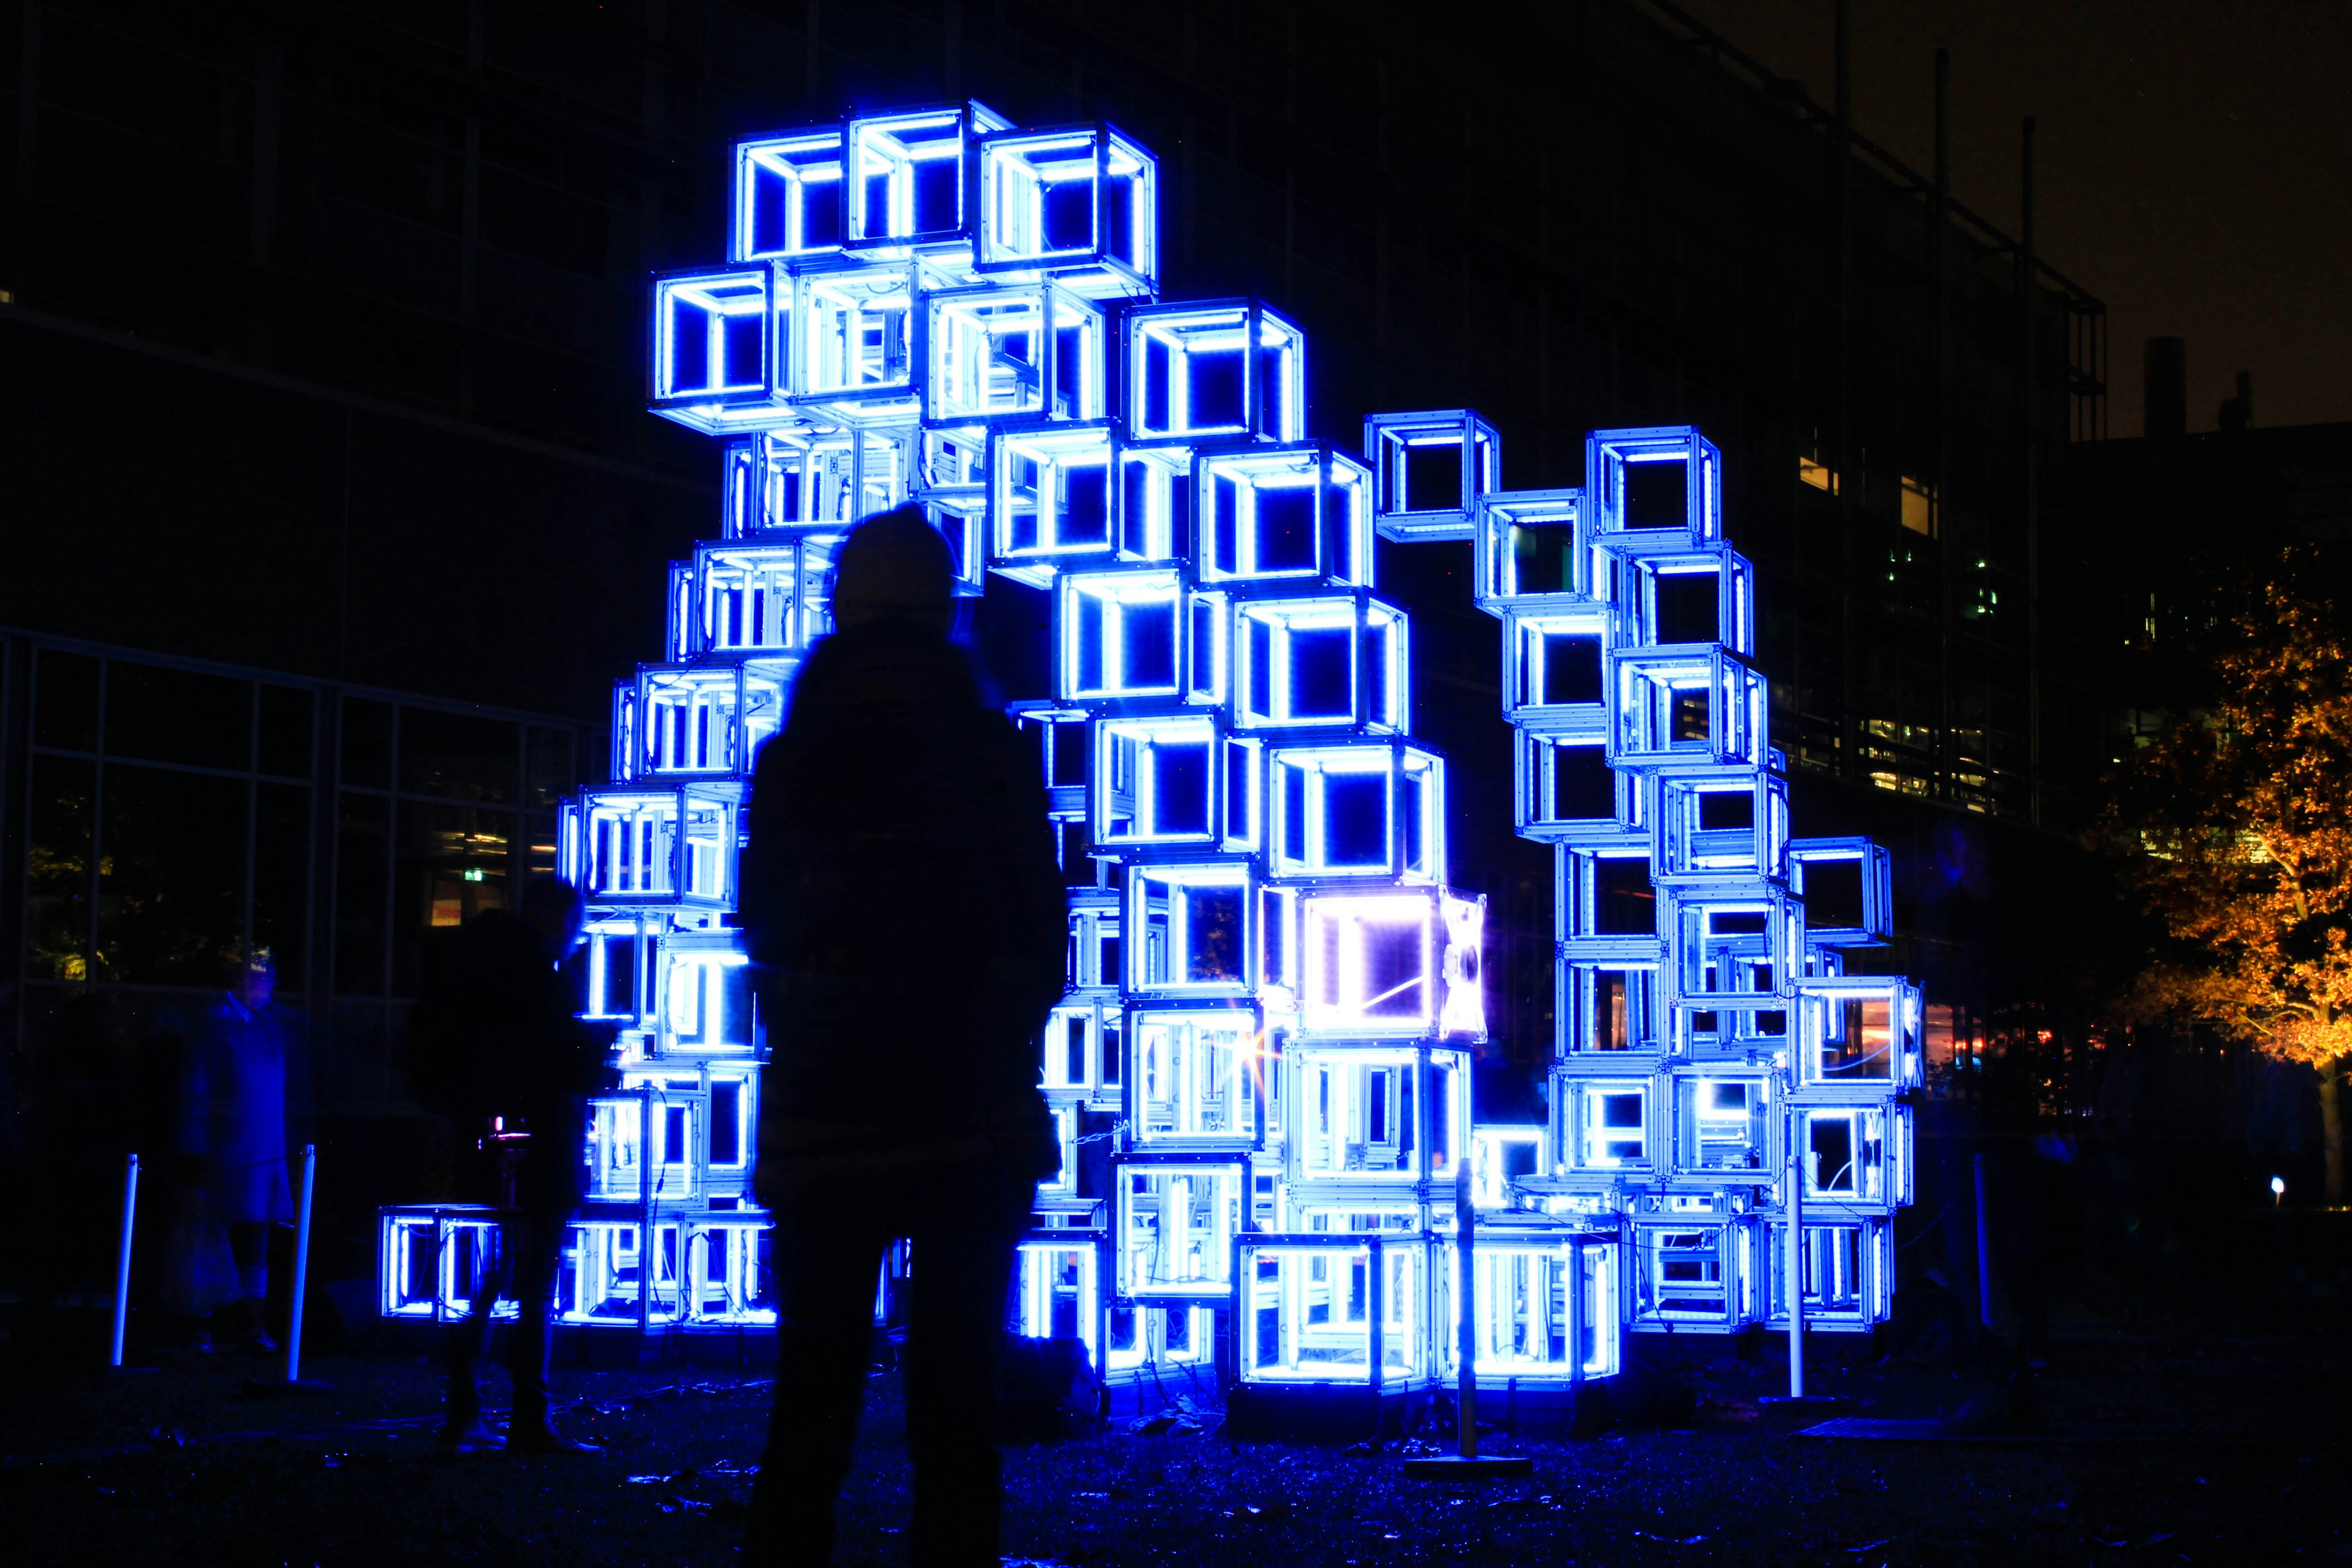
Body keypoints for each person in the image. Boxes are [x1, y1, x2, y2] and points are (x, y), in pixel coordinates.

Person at [740, 505, 1068, 1567]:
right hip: (963, 1112)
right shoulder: (987, 751)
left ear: (843, 601)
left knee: (813, 1392)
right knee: (956, 1400)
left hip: (823, 1110)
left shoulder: (796, 756)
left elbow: (766, 924)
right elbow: (1035, 928)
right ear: (942, 608)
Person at [411, 874, 615, 1457]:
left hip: (490, 1142)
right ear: (562, 921)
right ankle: (530, 1417)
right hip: (544, 1146)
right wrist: (598, 1054)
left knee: (494, 1278)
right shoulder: (539, 974)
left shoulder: (480, 966)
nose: (579, 937)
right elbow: (554, 1061)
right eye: (577, 924)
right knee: (534, 1287)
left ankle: (465, 1413)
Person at [172, 947, 294, 1354]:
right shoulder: (216, 1028)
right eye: (258, 977)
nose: (266, 985)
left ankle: (251, 1326)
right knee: (210, 1238)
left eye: (268, 977)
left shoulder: (266, 1028)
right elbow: (197, 1091)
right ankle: (201, 1328)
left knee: (255, 1240)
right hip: (224, 1155)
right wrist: (196, 1150)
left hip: (263, 1155)